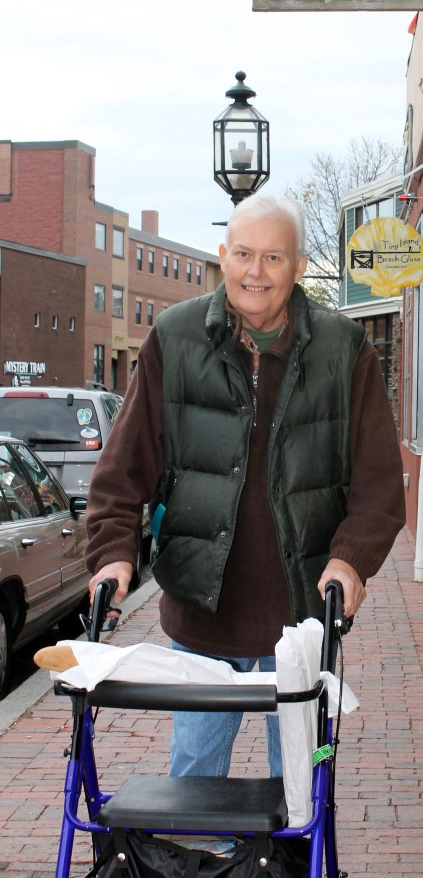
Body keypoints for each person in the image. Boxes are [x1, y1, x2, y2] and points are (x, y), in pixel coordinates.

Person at [85, 193, 406, 779]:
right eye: (243, 254)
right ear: (222, 258)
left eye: (273, 257)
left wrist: (352, 561)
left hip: (304, 616)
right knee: (195, 779)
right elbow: (124, 468)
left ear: (300, 266)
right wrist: (112, 555)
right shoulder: (175, 339)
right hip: (205, 615)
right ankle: (202, 868)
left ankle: (289, 871)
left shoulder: (344, 351)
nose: (255, 271)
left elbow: (379, 484)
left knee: (300, 787)